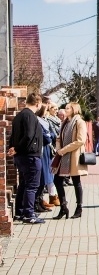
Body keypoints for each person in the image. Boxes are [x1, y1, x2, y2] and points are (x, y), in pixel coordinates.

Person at [9, 93, 45, 224]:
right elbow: (29, 136)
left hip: (21, 156)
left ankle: (20, 211)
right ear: (37, 103)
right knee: (32, 186)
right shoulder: (30, 116)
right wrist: (17, 148)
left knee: (24, 184)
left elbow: (13, 135)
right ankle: (29, 214)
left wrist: (13, 147)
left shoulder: (19, 115)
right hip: (30, 156)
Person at [53, 102, 89, 219]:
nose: (65, 109)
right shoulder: (65, 122)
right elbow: (59, 138)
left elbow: (80, 140)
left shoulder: (79, 122)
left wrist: (64, 150)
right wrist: (59, 149)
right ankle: (63, 207)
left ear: (74, 109)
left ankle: (79, 208)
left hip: (74, 156)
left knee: (76, 182)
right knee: (57, 180)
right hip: (63, 156)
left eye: (68, 108)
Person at [34, 102, 59, 213]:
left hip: (47, 151)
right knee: (43, 176)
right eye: (46, 109)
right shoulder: (39, 121)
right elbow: (48, 137)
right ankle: (38, 202)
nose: (47, 112)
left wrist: (50, 135)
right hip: (43, 151)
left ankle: (40, 202)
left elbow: (52, 135)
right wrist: (49, 136)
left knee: (47, 176)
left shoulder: (44, 121)